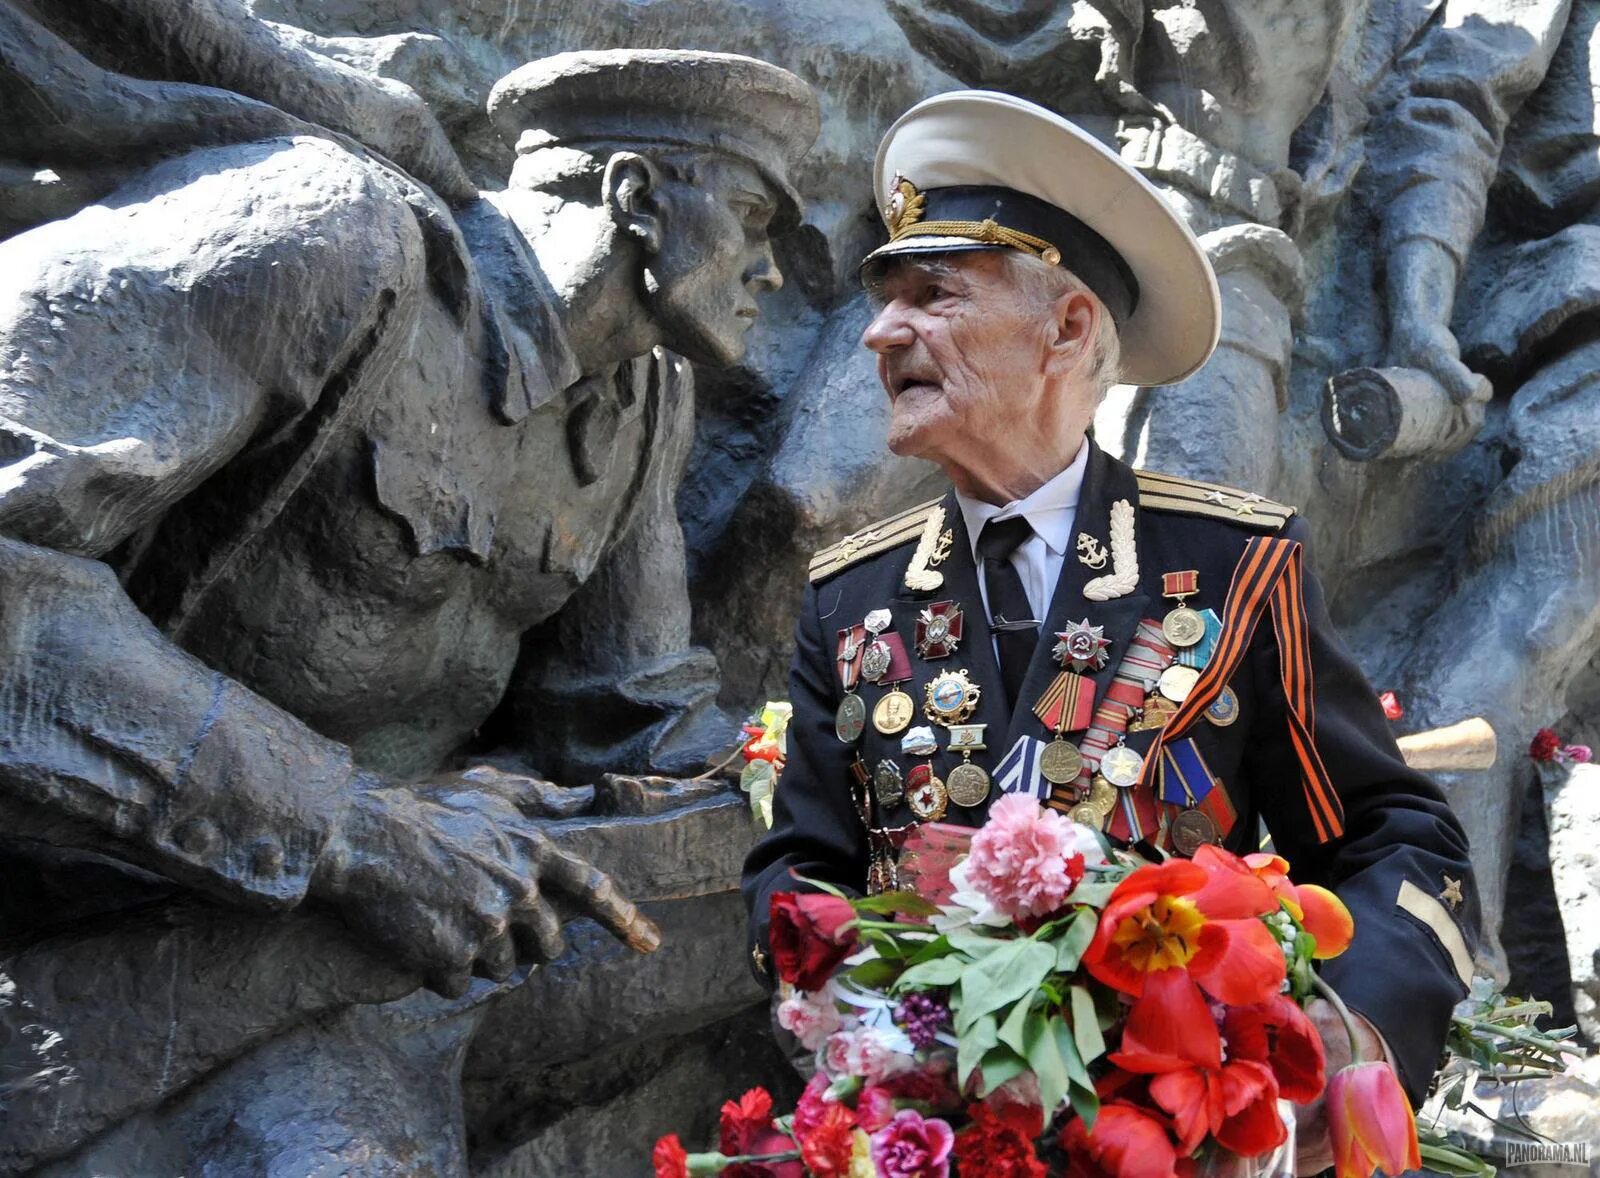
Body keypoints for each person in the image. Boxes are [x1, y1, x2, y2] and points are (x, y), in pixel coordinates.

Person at [0, 40, 818, 1173]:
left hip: (353, 980)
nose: (774, 269)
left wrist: (897, 829)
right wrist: (354, 829)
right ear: (636, 195)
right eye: (754, 217)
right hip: (79, 911)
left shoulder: (642, 400)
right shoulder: (327, 242)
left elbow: (629, 718)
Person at [742, 91, 1479, 1171]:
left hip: (1173, 1136)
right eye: (882, 297)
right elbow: (801, 861)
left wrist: (1348, 1033)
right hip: (929, 1135)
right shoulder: (849, 595)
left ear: (1070, 326)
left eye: (930, 293)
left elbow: (1392, 838)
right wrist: (857, 997)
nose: (878, 329)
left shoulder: (1234, 564)